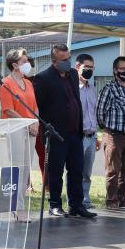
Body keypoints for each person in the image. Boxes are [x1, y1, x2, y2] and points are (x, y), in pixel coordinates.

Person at [32, 44, 96, 218]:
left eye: (69, 58)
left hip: (75, 133)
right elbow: (37, 107)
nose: (68, 62)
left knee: (77, 170)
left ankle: (76, 205)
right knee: (56, 172)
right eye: (64, 59)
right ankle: (55, 205)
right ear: (54, 61)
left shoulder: (73, 74)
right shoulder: (43, 78)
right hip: (56, 135)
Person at [96, 56, 125, 209]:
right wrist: (107, 129)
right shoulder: (108, 89)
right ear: (115, 70)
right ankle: (111, 201)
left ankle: (123, 199)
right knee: (113, 171)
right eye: (122, 69)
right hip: (114, 136)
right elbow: (100, 112)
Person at [0, 48, 39, 219]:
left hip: (30, 128)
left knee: (26, 168)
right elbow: (8, 109)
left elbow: (34, 106)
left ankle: (21, 205)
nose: (28, 64)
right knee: (16, 168)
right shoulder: (6, 83)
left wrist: (35, 122)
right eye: (24, 61)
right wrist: (26, 122)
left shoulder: (28, 83)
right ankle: (14, 206)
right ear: (14, 65)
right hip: (15, 128)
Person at [75, 54, 100, 209]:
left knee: (87, 173)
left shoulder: (92, 89)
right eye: (87, 67)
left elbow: (93, 113)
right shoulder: (72, 88)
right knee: (76, 171)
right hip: (78, 136)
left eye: (92, 67)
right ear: (78, 67)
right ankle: (75, 202)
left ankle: (85, 200)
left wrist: (96, 136)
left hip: (91, 136)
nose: (89, 70)